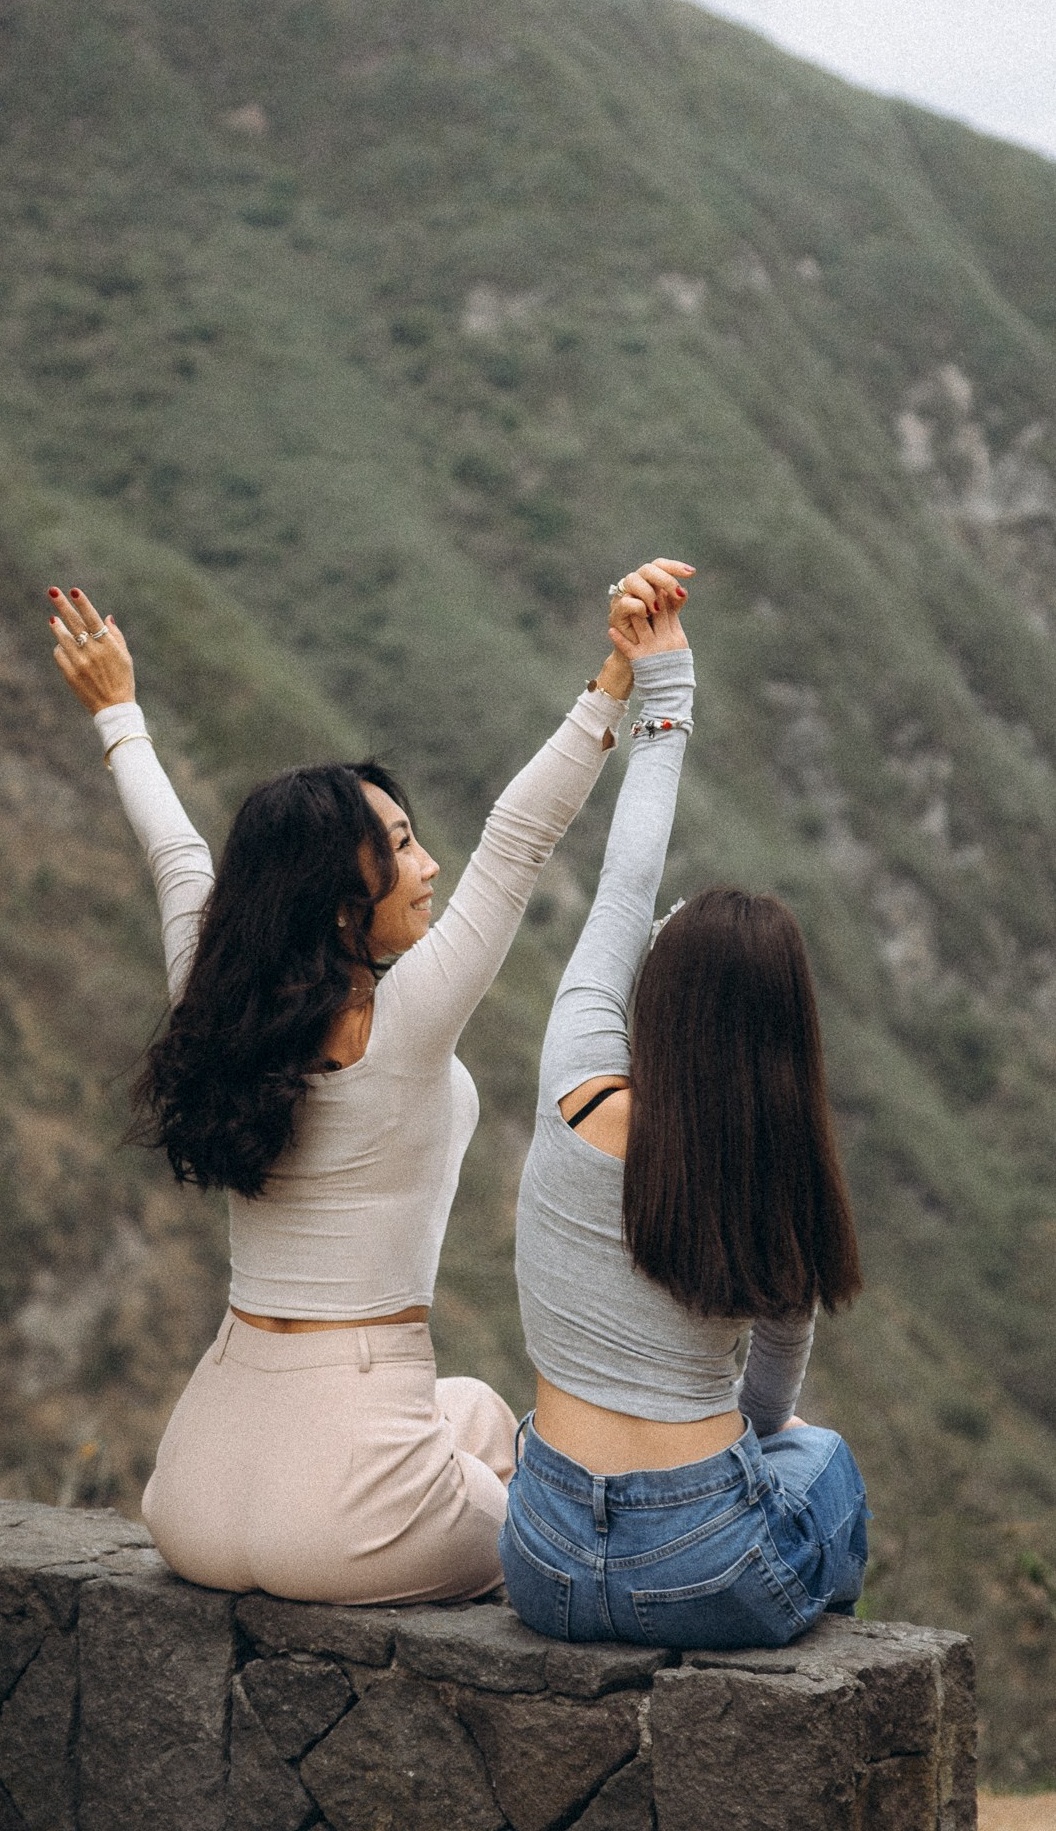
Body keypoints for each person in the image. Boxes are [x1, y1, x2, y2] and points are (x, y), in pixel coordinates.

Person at [45, 560, 694, 1605]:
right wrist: (617, 679)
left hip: (196, 1492)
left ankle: (414, 1477)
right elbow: (518, 839)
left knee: (478, 1409)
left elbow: (175, 855)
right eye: (399, 846)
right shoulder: (398, 1025)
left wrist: (117, 708)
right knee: (555, 1518)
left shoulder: (213, 1006)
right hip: (344, 1516)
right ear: (343, 898)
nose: (429, 863)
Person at [504, 578, 869, 1647]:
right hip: (710, 1565)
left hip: (541, 1557)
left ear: (653, 994)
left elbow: (625, 883)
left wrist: (667, 686)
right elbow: (764, 1410)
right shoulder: (769, 1172)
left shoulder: (574, 1075)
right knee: (820, 1456)